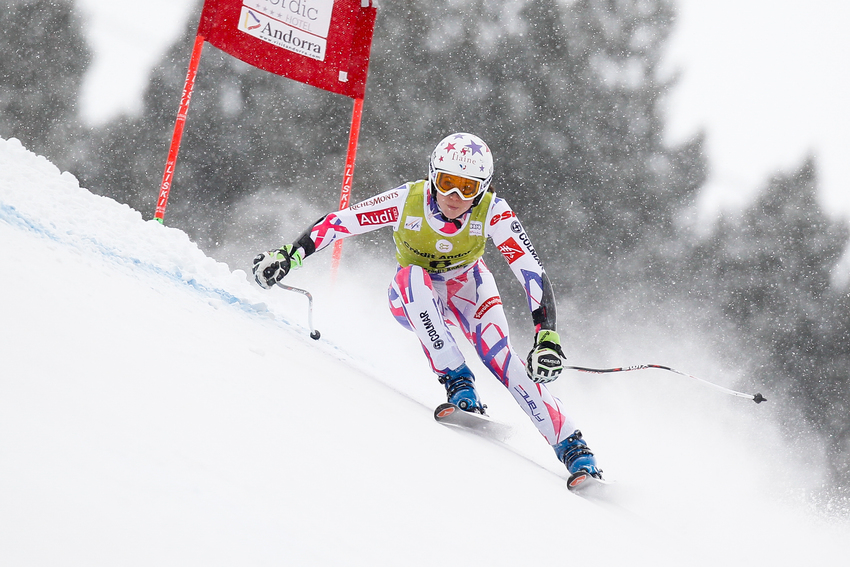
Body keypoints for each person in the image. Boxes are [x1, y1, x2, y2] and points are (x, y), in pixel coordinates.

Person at [252, 133, 601, 480]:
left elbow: (531, 273)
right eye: (447, 183)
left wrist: (547, 337)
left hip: (469, 288)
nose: (454, 197)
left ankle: (574, 449)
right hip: (414, 296)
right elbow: (338, 223)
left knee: (503, 359)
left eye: (467, 187)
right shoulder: (408, 201)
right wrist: (287, 256)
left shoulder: (493, 212)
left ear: (483, 189)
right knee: (413, 277)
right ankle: (457, 380)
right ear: (433, 175)